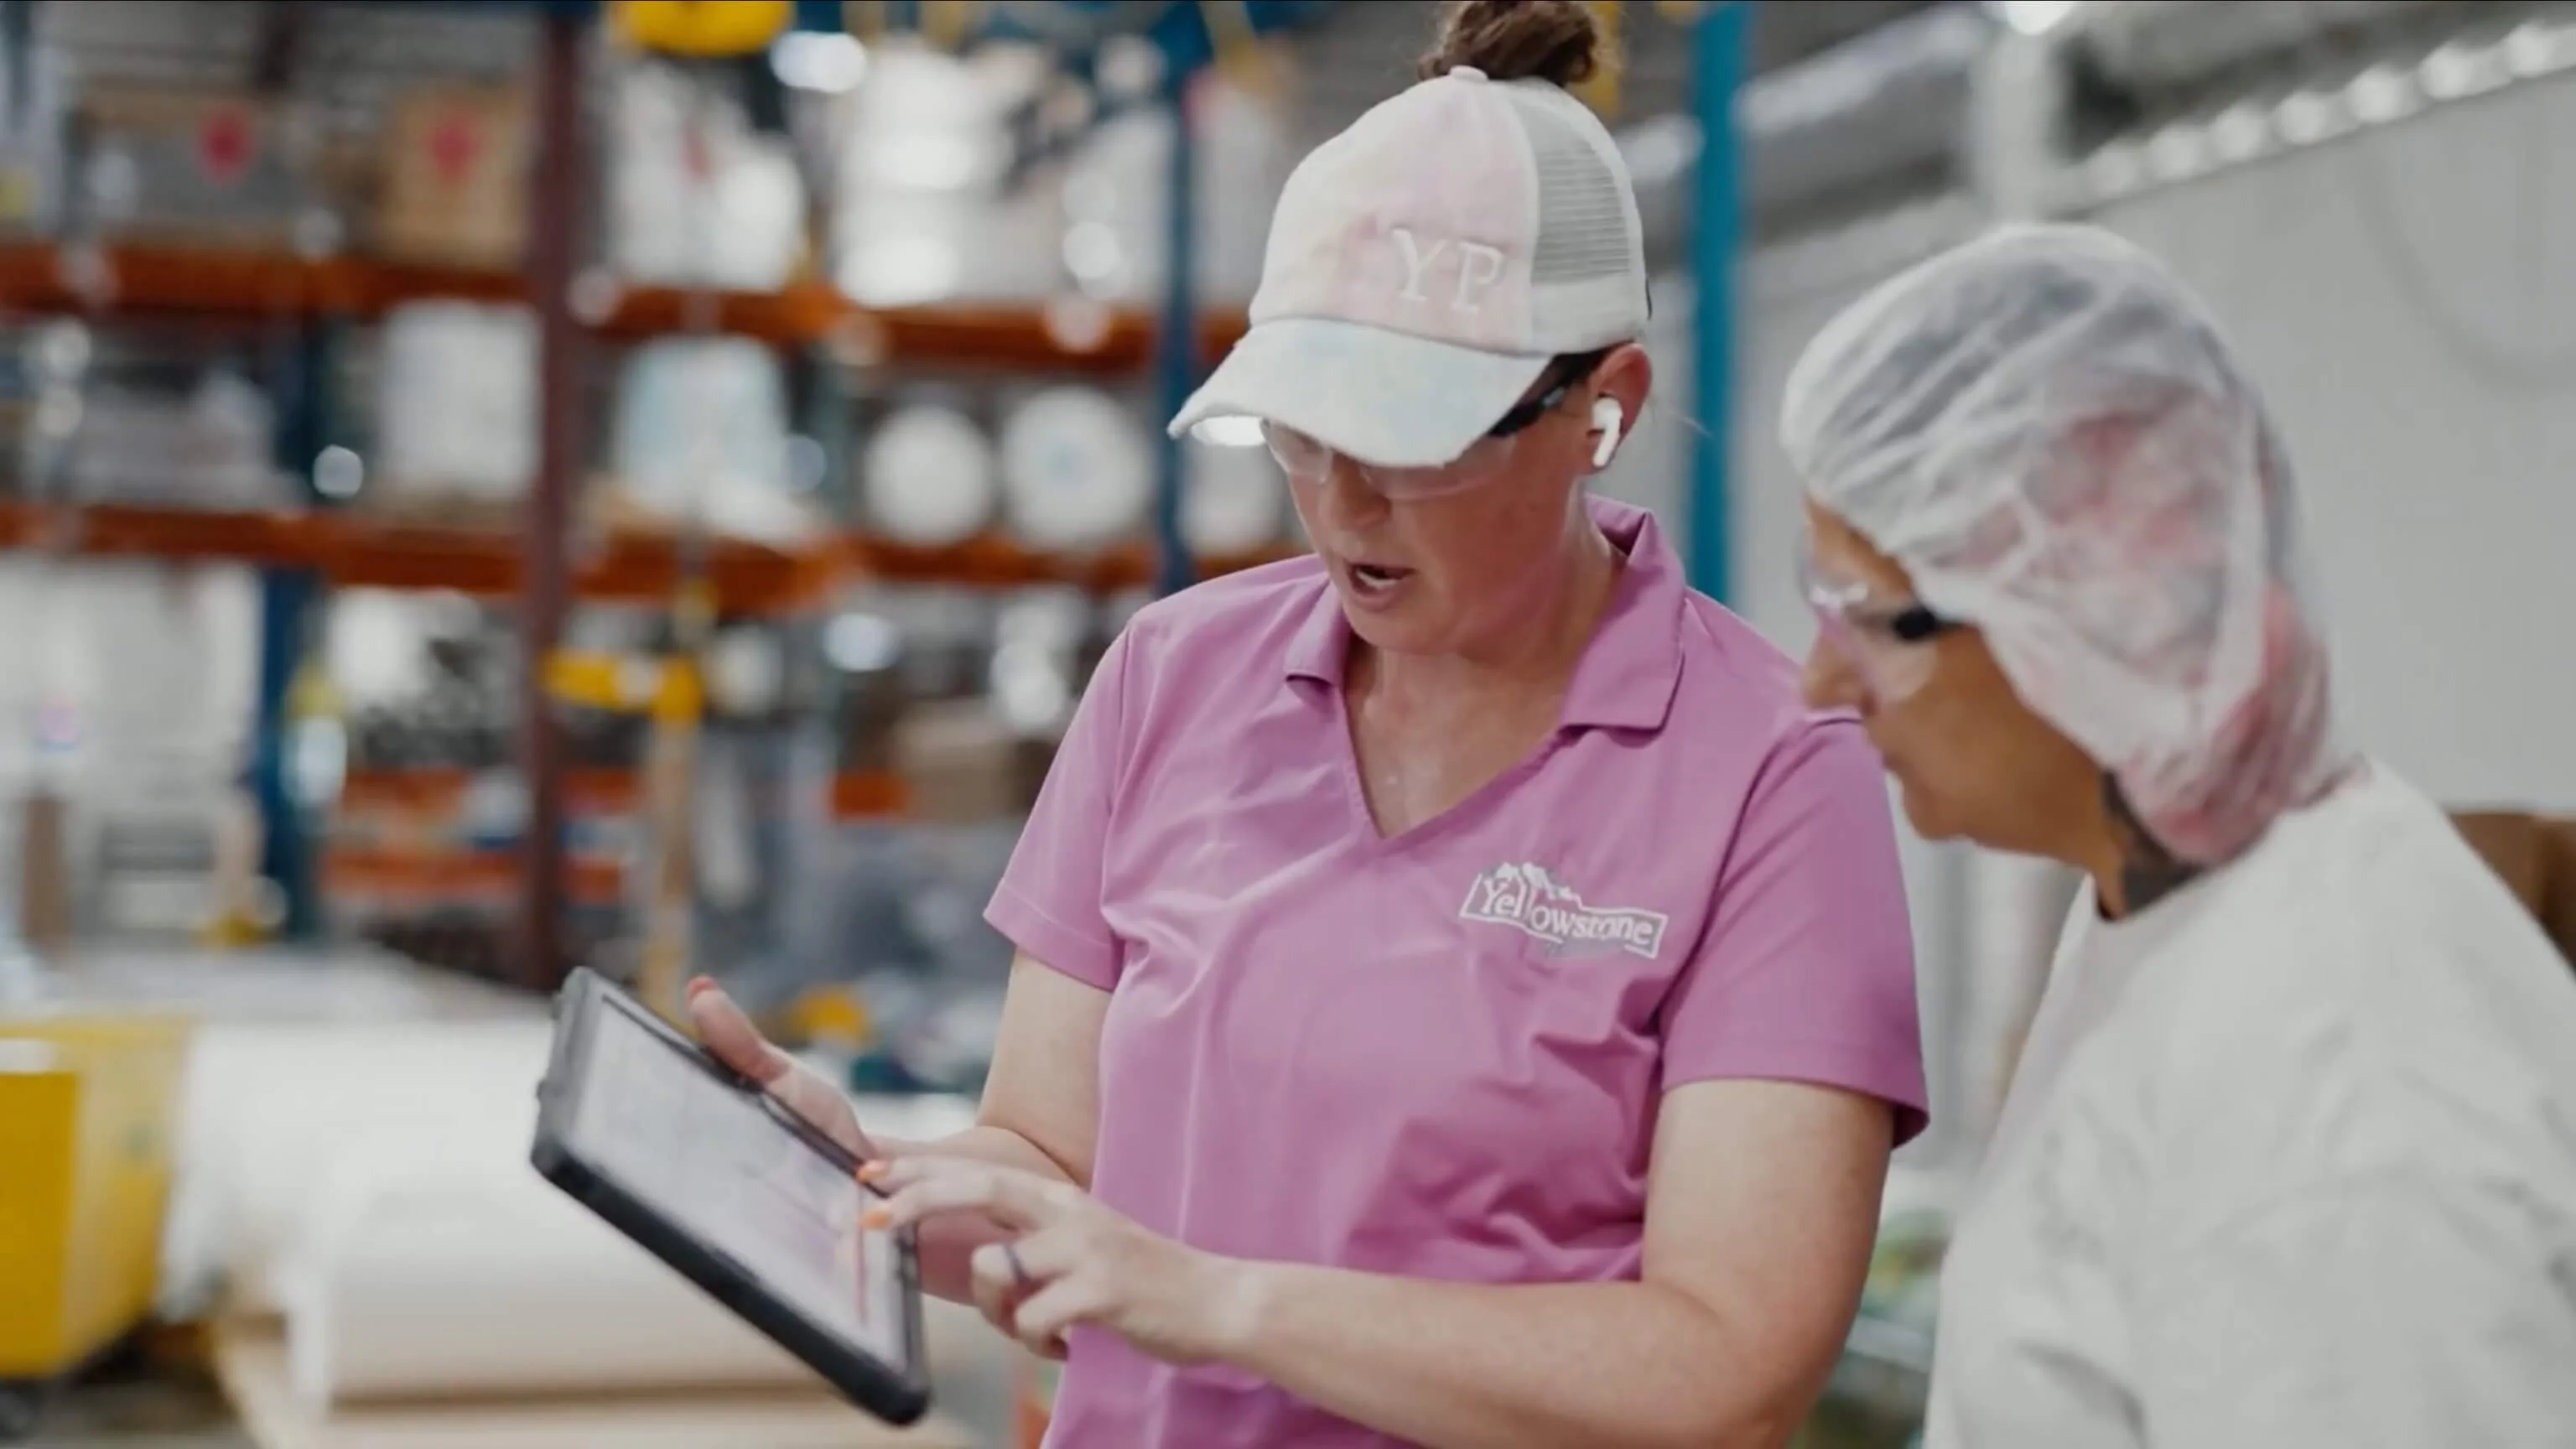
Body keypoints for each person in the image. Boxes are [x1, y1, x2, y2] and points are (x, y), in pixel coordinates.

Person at [689, 3, 1929, 1446]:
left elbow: (1726, 1366)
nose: (1343, 505)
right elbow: (1049, 1170)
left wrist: (1223, 1302)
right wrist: (888, 1193)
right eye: (1301, 431)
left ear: (1603, 406)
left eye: (1411, 444)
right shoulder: (1176, 675)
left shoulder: (1771, 777)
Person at [1780, 221, 2576, 1446]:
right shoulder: (2170, 910)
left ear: (2082, 606)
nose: (1820, 687)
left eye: (1875, 624)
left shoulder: (2335, 1079)